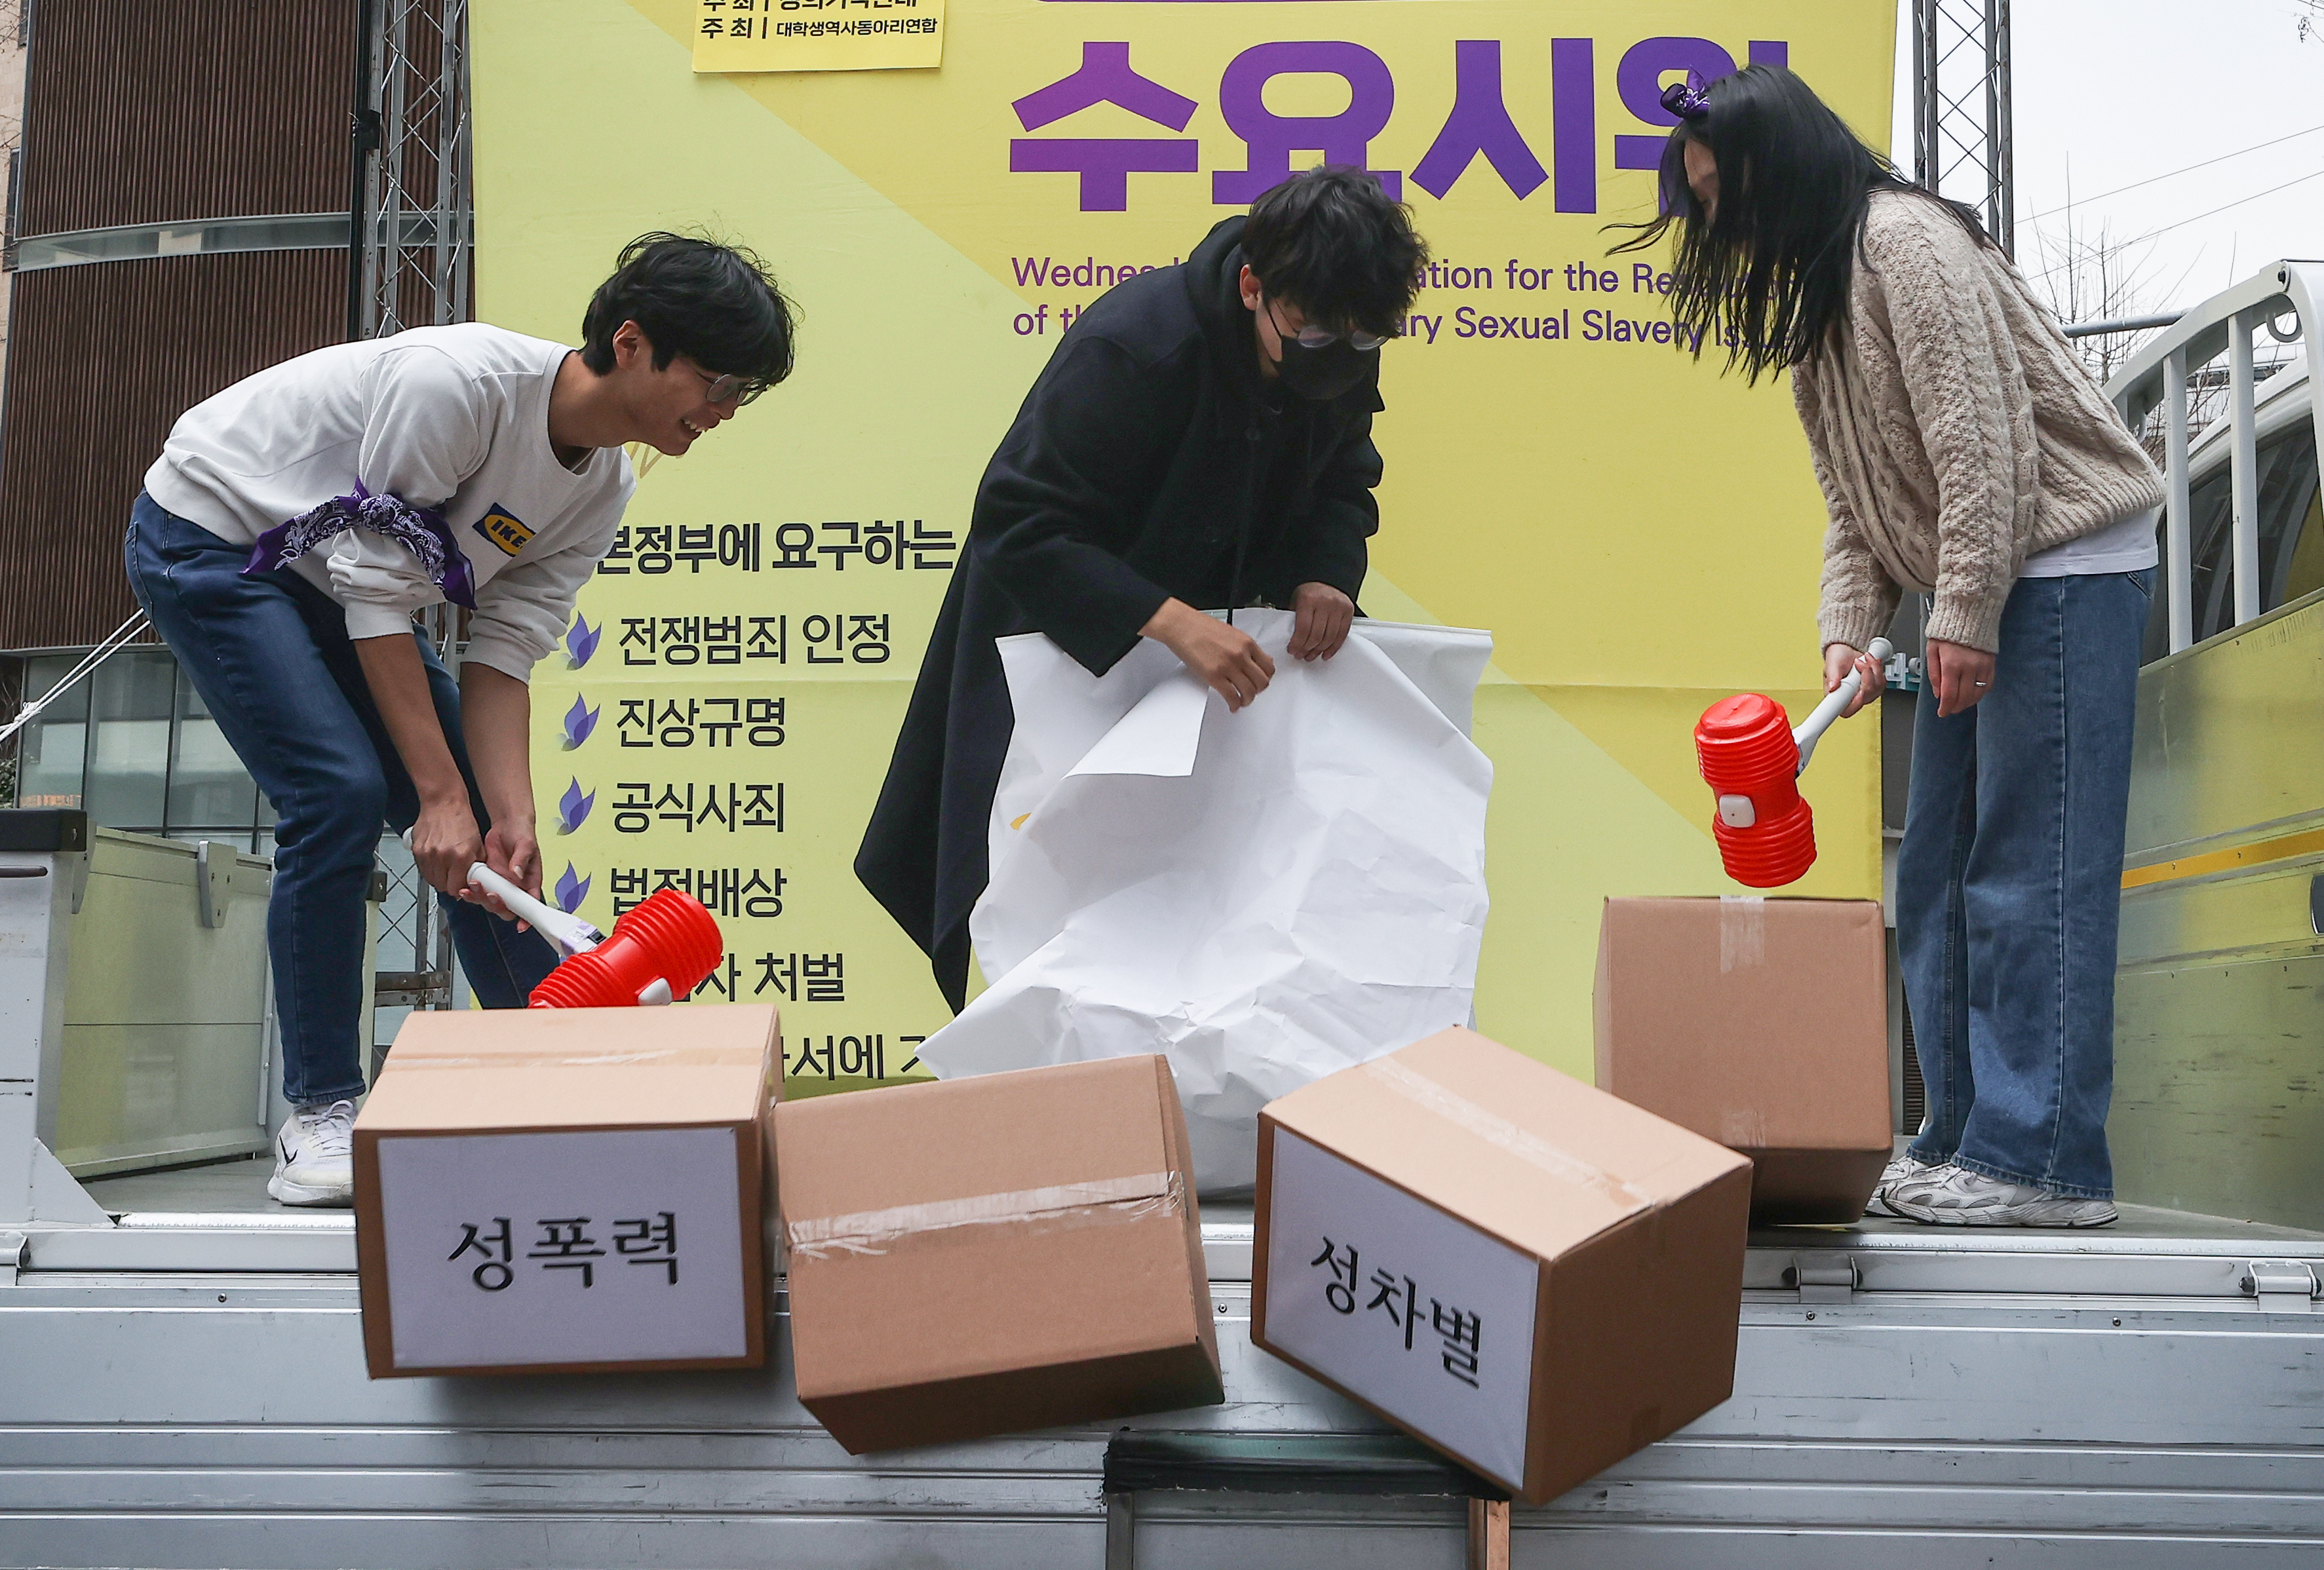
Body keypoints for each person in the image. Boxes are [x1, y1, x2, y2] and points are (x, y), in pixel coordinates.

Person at [127, 233, 798, 1207]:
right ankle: (320, 1113)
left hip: (336, 574)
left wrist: (506, 813)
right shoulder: (459, 386)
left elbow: (505, 650)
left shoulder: (604, 483)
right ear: (635, 342)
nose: (725, 412)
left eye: (746, 393)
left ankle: (547, 1086)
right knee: (340, 793)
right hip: (216, 535)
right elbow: (374, 590)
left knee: (486, 830)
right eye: (719, 380)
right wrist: (436, 796)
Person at [1616, 67, 2163, 1226]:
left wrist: (1957, 614)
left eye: (1723, 191)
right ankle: (1962, 1135)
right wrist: (1846, 633)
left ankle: (2044, 1163)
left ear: (1780, 160)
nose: (1718, 220)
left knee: (2027, 871)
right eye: (1702, 200)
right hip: (1990, 572)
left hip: (2059, 566)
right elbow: (1855, 500)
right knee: (1935, 875)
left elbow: (1986, 450)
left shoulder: (1897, 241)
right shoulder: (1823, 285)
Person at [857, 166, 1426, 1009]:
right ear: (1251, 287)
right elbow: (1017, 520)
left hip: (1211, 664)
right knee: (1066, 914)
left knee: (1225, 899)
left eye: (1362, 342)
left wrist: (1327, 569)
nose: (1336, 360)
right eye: (1310, 337)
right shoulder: (1134, 346)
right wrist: (1165, 619)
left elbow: (1346, 475)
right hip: (1071, 648)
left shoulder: (1333, 345)